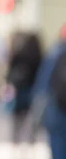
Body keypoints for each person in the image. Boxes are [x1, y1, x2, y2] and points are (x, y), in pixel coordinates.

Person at [31, 24, 66, 159]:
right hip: (57, 108)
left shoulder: (55, 52)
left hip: (56, 109)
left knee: (58, 147)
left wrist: (37, 112)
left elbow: (42, 85)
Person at [6, 31, 42, 145]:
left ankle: (16, 137)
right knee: (32, 115)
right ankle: (31, 137)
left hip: (20, 89)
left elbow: (10, 71)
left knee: (18, 115)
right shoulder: (39, 56)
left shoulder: (19, 54)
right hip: (34, 89)